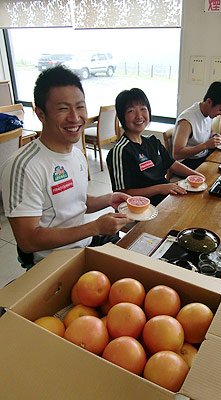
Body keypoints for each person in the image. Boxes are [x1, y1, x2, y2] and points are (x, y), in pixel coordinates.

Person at [0, 66, 132, 269]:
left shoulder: (77, 155)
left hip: (86, 246)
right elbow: (28, 241)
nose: (75, 117)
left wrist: (108, 199)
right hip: (54, 263)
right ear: (41, 114)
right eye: (63, 109)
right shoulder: (24, 166)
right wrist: (95, 227)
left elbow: (76, 202)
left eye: (80, 106)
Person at [107, 88, 205, 206]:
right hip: (143, 208)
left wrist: (196, 175)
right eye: (131, 111)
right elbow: (122, 193)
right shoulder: (120, 151)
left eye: (143, 109)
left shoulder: (152, 141)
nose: (139, 116)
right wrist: (160, 188)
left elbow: (172, 164)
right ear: (122, 116)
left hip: (165, 199)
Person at [172, 80, 221, 169]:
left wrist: (216, 137)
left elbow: (210, 133)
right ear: (209, 101)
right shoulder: (187, 121)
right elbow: (177, 154)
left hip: (202, 156)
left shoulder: (208, 114)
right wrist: (205, 145)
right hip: (186, 163)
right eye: (220, 109)